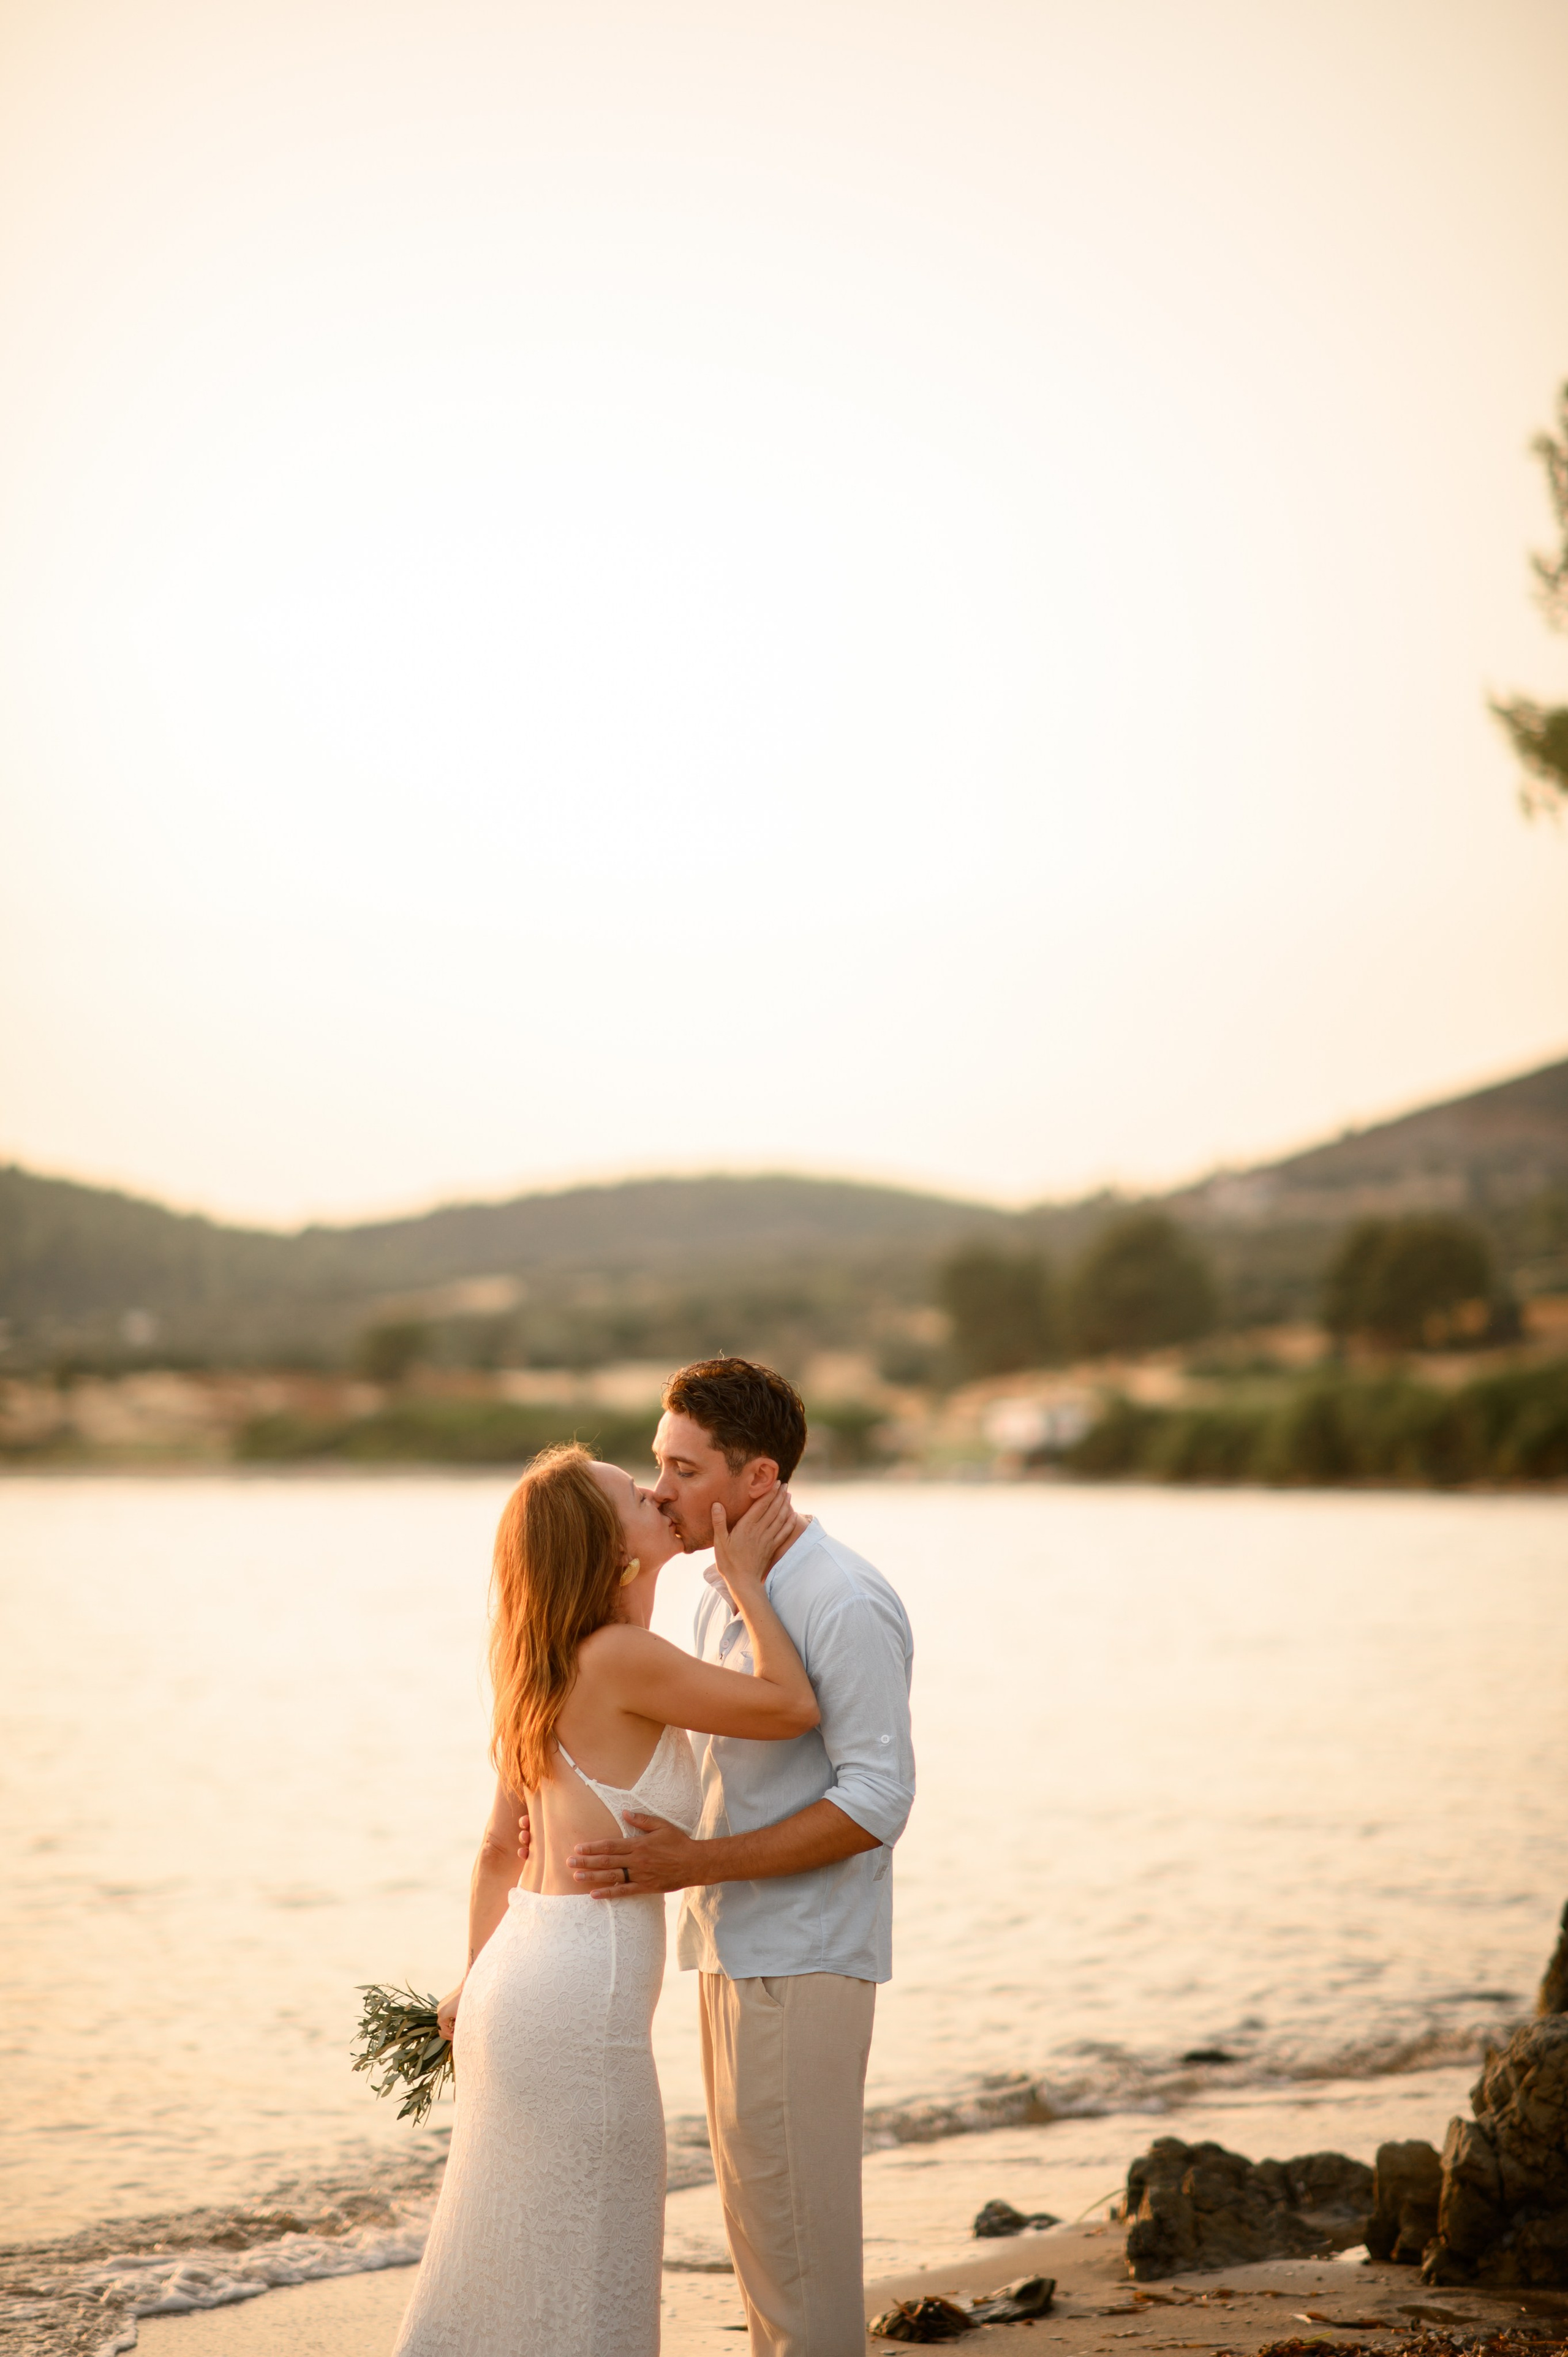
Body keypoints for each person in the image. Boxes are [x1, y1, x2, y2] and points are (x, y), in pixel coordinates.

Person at [392, 1441, 817, 2357]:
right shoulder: (623, 1655)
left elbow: (496, 1853)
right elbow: (790, 1707)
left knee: (517, 2253)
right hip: (577, 2003)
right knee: (592, 2254)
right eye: (635, 1493)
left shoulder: (540, 1664)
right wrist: (743, 1577)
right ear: (607, 1543)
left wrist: (471, 1983)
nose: (660, 1494)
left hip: (517, 1980)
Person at [569, 1358, 917, 2357]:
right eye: (656, 1466)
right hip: (732, 1948)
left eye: (682, 1469)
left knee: (799, 2262)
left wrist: (694, 1865)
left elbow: (878, 1801)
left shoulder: (841, 1598)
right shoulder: (731, 1588)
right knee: (765, 2251)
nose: (660, 1490)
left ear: (756, 1479)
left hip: (801, 1957)